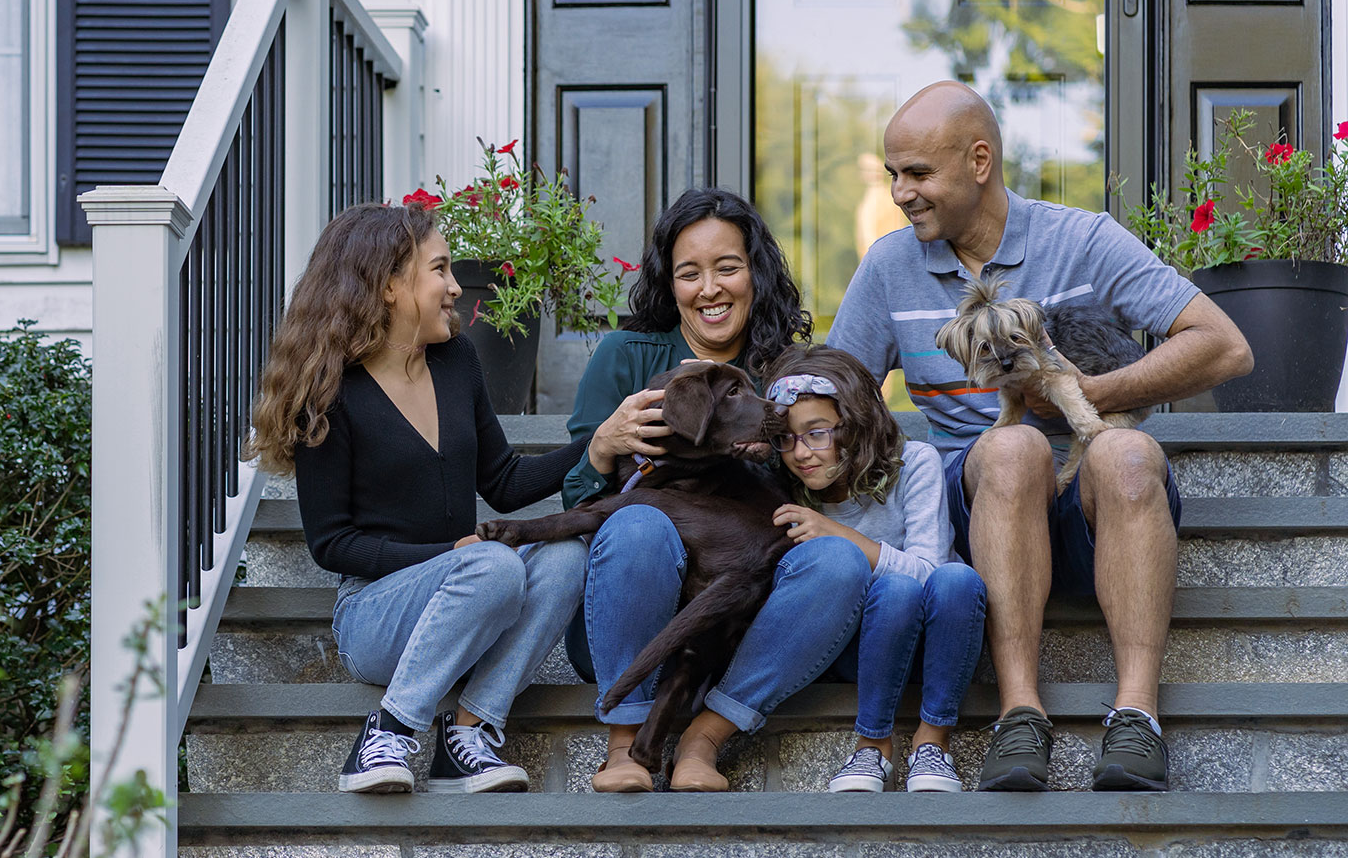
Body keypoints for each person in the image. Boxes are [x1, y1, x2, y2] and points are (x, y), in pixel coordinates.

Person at [827, 81, 1253, 792]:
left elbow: (1224, 347)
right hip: (988, 502)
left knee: (1126, 451)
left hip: (1097, 512)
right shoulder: (889, 267)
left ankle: (1137, 716)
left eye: (919, 174)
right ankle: (1019, 715)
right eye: (893, 174)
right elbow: (837, 397)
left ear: (980, 161)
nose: (901, 192)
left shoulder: (1081, 240)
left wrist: (1086, 394)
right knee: (1012, 448)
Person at [247, 202, 590, 794]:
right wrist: (449, 557)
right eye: (441, 270)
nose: (456, 287)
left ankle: (469, 736)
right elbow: (333, 545)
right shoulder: (331, 392)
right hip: (374, 614)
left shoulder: (457, 360)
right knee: (491, 565)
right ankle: (390, 731)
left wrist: (596, 450)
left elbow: (503, 482)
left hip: (472, 583)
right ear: (388, 286)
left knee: (567, 555)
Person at [560, 188, 871, 794]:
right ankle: (626, 745)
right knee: (638, 524)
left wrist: (778, 462)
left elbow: (835, 489)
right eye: (689, 273)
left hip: (745, 618)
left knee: (837, 560)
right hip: (633, 610)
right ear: (668, 283)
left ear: (755, 272)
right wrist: (602, 447)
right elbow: (579, 509)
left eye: (727, 267)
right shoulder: (627, 358)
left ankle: (703, 741)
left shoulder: (792, 372)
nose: (710, 289)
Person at [762, 344, 985, 793]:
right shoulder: (783, 490)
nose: (801, 452)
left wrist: (841, 535)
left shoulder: (913, 462)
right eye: (785, 438)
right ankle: (871, 746)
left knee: (957, 578)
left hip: (937, 641)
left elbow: (930, 570)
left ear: (856, 422)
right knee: (895, 591)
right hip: (852, 649)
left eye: (817, 432)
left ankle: (933, 742)